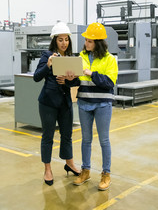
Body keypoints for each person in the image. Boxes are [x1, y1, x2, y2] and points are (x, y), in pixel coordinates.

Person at [66, 22, 118, 190]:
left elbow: (109, 83)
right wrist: (70, 78)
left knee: (104, 140)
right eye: (86, 40)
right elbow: (77, 81)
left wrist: (92, 74)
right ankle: (85, 171)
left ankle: (106, 174)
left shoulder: (110, 59)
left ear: (98, 42)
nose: (86, 43)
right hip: (84, 102)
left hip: (102, 104)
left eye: (89, 41)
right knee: (86, 140)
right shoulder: (80, 57)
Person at [33, 22, 80, 186]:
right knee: (48, 137)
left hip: (65, 103)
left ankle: (70, 163)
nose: (64, 43)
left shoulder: (71, 58)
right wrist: (48, 66)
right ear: (55, 40)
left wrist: (67, 80)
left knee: (67, 135)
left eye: (66, 39)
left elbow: (77, 81)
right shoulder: (47, 56)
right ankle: (47, 169)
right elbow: (36, 77)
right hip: (48, 103)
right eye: (60, 40)